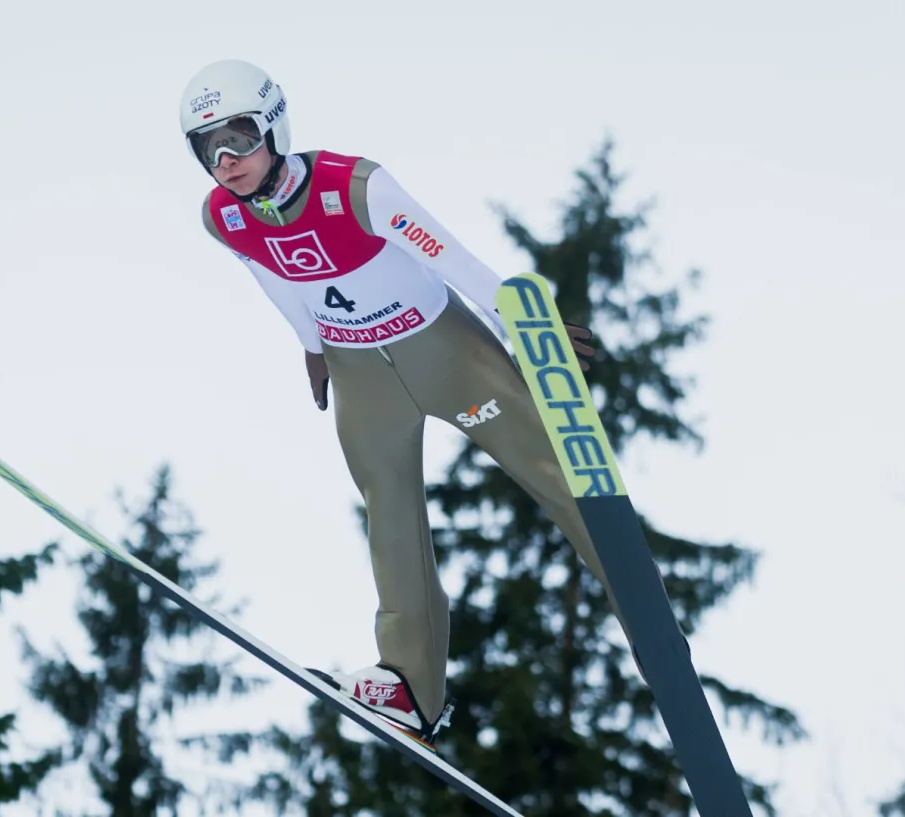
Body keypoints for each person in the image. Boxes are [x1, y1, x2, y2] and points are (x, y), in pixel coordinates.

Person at [180, 58, 610, 750]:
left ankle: (635, 596)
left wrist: (521, 327)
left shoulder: (356, 187)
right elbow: (275, 281)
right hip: (361, 375)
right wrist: (312, 346)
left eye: (238, 137)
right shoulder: (224, 218)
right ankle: (413, 688)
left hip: (446, 354)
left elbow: (455, 260)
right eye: (209, 149)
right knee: (390, 512)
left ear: (273, 125)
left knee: (549, 466)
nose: (226, 160)